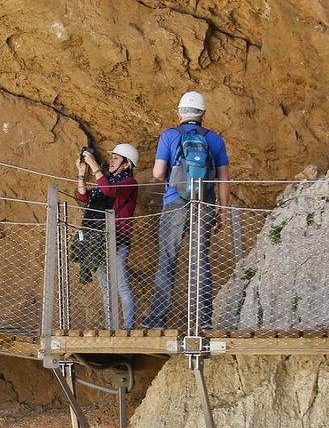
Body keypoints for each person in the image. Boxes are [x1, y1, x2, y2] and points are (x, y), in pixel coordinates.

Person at [143, 91, 231, 329]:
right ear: (203, 114)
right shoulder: (215, 140)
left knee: (168, 260)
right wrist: (222, 213)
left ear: (179, 113)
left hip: (175, 203)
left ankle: (158, 319)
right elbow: (223, 181)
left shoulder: (170, 135)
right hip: (205, 203)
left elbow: (158, 173)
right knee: (200, 260)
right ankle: (204, 320)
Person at [75, 143, 139, 328]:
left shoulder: (129, 183)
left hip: (118, 239)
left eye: (116, 158)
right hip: (100, 239)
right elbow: (84, 197)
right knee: (105, 288)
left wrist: (95, 165)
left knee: (121, 285)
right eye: (111, 157)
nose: (111, 161)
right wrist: (82, 172)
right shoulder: (108, 181)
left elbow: (108, 190)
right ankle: (111, 327)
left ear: (127, 164)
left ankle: (127, 327)